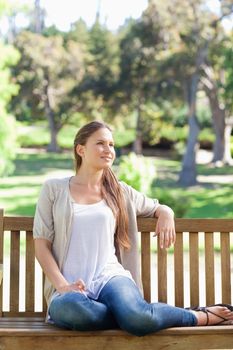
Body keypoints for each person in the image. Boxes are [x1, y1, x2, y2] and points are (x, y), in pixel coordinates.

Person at [33, 120, 233, 336]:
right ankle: (127, 315)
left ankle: (197, 316)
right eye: (100, 143)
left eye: (111, 144)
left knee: (138, 318)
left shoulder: (119, 192)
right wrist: (63, 286)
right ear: (80, 149)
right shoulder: (54, 189)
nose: (108, 150)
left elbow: (156, 206)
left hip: (108, 277)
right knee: (78, 311)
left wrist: (167, 212)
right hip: (68, 290)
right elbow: (42, 244)